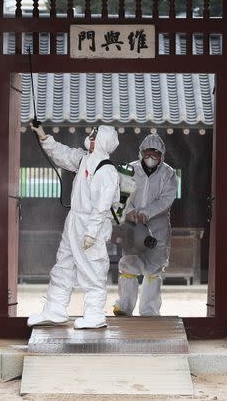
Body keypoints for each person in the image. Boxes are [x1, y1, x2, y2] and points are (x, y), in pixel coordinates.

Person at [27, 124, 120, 329]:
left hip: (90, 225)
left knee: (93, 269)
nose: (90, 136)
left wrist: (91, 233)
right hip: (75, 221)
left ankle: (95, 314)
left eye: (94, 135)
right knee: (64, 264)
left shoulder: (107, 170)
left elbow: (102, 206)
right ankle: (55, 308)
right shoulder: (84, 159)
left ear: (102, 140)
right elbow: (63, 154)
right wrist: (43, 136)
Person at [113, 133, 178, 317]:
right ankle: (124, 307)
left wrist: (146, 212)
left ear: (162, 156)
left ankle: (149, 310)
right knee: (129, 263)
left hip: (157, 226)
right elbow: (122, 194)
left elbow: (167, 199)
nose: (151, 157)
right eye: (147, 152)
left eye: (155, 153)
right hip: (133, 226)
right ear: (141, 152)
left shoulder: (169, 173)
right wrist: (129, 211)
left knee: (154, 268)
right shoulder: (129, 170)